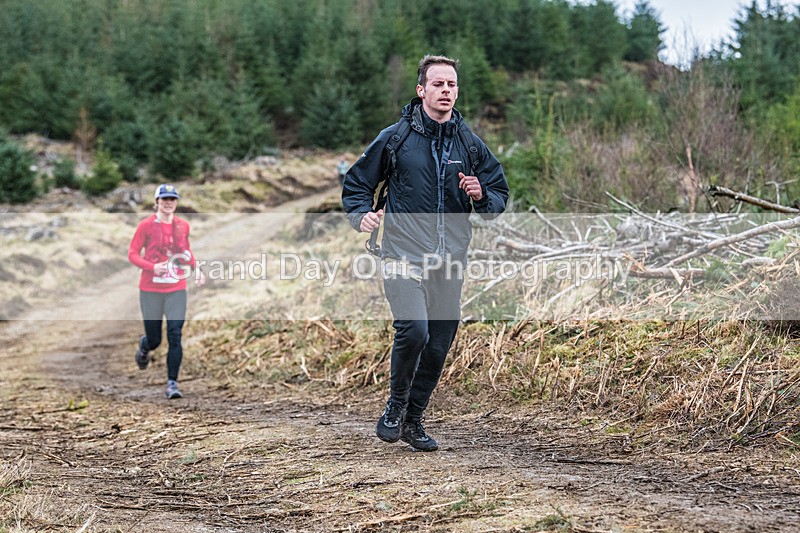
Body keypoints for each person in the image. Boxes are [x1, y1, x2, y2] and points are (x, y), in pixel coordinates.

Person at [342, 55, 509, 451]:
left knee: (439, 340)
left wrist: (482, 194)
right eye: (438, 84)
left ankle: (414, 421)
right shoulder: (396, 137)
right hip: (402, 253)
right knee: (414, 329)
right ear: (422, 91)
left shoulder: (469, 144)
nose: (446, 91)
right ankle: (395, 406)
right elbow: (357, 183)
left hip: (449, 257)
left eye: (451, 84)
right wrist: (361, 215)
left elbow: (499, 195)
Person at [128, 184, 205, 399]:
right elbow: (133, 254)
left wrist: (196, 269)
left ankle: (172, 383)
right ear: (157, 202)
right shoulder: (145, 226)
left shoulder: (182, 226)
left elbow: (186, 251)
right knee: (155, 340)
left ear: (176, 202)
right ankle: (144, 347)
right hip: (150, 290)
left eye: (172, 199)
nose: (168, 203)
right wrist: (153, 267)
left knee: (175, 333)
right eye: (164, 199)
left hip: (176, 288)